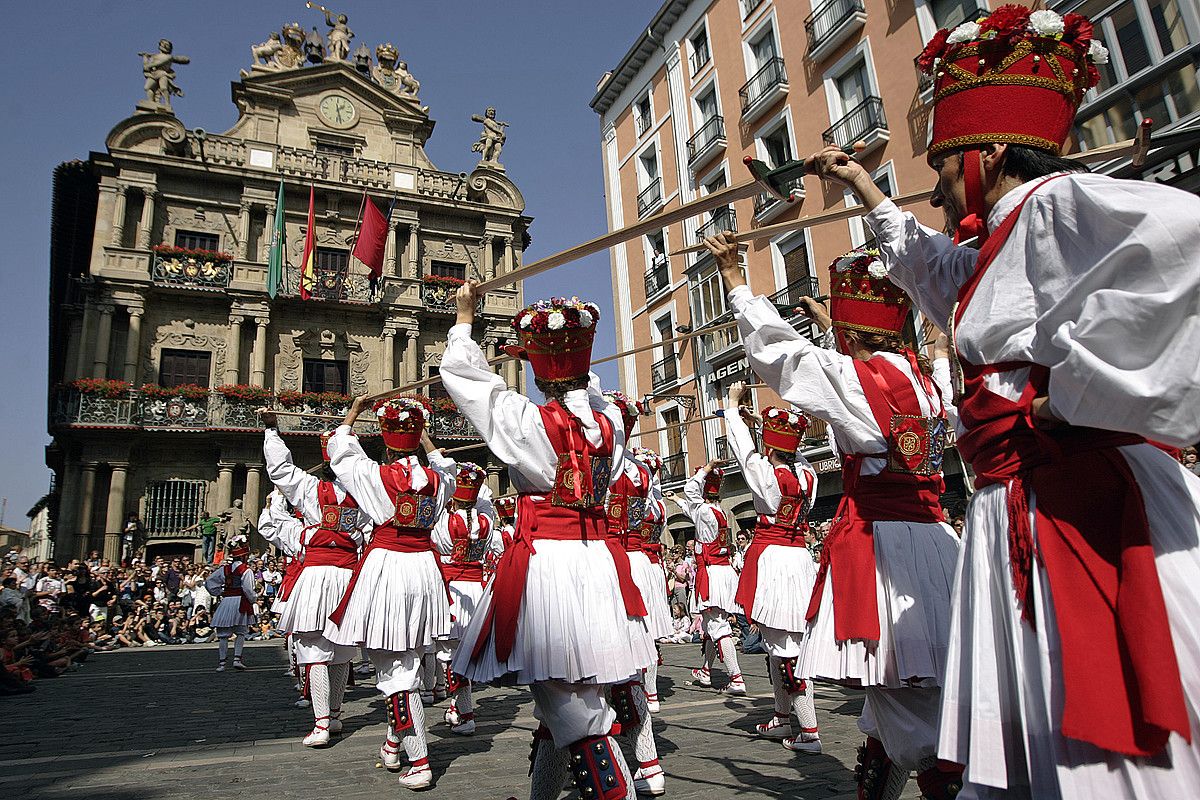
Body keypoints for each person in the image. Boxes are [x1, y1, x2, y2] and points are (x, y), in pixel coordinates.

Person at [801, 7, 1200, 799]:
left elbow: (1188, 246)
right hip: (1017, 509)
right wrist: (860, 186)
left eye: (944, 168)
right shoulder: (998, 241)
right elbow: (930, 270)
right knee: (1039, 743)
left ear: (983, 156)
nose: (940, 191)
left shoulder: (1054, 208)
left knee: (1103, 748)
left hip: (1070, 501)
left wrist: (1076, 396)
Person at [705, 234, 963, 799]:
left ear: (848, 336)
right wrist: (934, 348)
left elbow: (783, 355)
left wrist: (736, 282)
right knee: (911, 704)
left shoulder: (853, 384)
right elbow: (928, 369)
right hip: (942, 548)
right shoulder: (932, 389)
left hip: (887, 551)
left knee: (913, 713)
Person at [440, 283, 654, 800]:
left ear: (539, 375)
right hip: (600, 561)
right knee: (565, 706)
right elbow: (588, 394)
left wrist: (465, 321)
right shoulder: (611, 427)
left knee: (576, 715)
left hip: (551, 568)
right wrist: (552, 355)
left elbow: (468, 381)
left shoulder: (526, 421)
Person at [327, 396, 456, 792]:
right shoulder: (439, 483)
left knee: (395, 672)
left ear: (384, 442)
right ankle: (392, 742)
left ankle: (419, 761)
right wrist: (427, 440)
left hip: (389, 569)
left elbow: (340, 448)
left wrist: (355, 410)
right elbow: (446, 466)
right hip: (424, 570)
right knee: (408, 663)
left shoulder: (372, 474)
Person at [723, 384, 823, 754]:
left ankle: (809, 731)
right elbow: (789, 455)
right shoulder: (808, 476)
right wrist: (763, 427)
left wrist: (733, 409)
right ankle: (782, 717)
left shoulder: (767, 475)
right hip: (800, 559)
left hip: (776, 561)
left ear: (769, 448)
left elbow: (743, 450)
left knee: (786, 649)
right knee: (778, 646)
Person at [261, 419, 370, 747]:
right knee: (341, 651)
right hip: (349, 576)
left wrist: (271, 431)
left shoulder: (310, 489)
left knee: (314, 649)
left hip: (318, 576)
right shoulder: (364, 493)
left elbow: (280, 469)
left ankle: (322, 723)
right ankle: (334, 716)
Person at [602, 392, 669, 795]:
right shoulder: (642, 474)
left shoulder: (600, 463)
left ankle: (610, 763)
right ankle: (650, 763)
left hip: (606, 561)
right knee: (631, 662)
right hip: (636, 562)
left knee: (587, 673)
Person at [666, 462, 746, 695]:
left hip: (711, 574)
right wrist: (677, 501)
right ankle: (706, 671)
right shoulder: (718, 511)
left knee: (718, 626)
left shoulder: (703, 511)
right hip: (723, 572)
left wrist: (706, 467)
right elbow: (692, 508)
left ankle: (736, 678)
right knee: (712, 626)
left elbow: (691, 490)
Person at [430, 461, 497, 737]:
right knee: (463, 655)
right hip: (476, 593)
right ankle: (459, 709)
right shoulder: (486, 523)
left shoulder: (444, 522)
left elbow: (435, 506)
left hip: (453, 592)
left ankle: (465, 712)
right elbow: (486, 504)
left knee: (451, 656)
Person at [203, 535, 257, 672]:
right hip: (240, 600)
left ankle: (222, 663)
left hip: (226, 601)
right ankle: (237, 659)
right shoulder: (246, 570)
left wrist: (219, 592)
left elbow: (209, 582)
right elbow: (248, 589)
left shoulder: (224, 569)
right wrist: (253, 600)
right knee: (240, 631)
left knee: (223, 633)